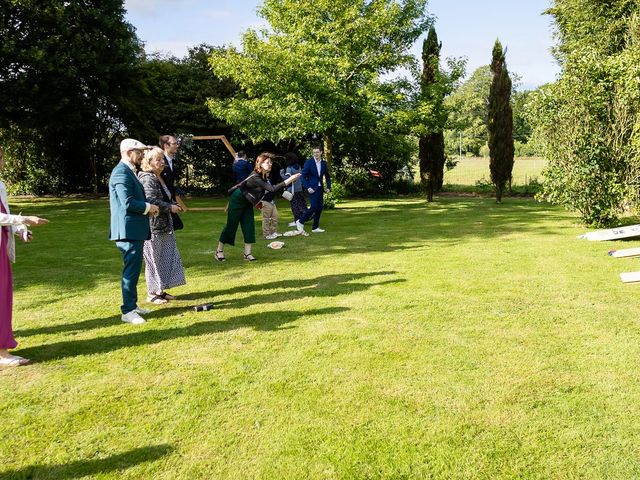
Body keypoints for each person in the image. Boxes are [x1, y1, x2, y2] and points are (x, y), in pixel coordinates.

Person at [0, 146, 49, 366]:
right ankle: (2, 353)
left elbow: (5, 215)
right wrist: (25, 219)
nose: (1, 161)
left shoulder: (0, 185)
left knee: (4, 297)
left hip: (2, 247)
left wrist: (21, 229)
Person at [109, 138, 160, 325]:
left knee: (134, 269)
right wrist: (149, 207)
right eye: (138, 153)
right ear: (128, 152)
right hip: (127, 230)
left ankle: (132, 305)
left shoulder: (127, 171)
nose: (141, 156)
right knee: (130, 271)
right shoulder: (120, 173)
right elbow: (127, 202)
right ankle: (128, 311)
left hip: (132, 229)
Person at [216, 152, 300, 262]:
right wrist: (290, 179)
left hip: (247, 202)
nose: (270, 164)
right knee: (231, 226)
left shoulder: (263, 176)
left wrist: (257, 202)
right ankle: (219, 251)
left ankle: (247, 254)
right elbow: (272, 189)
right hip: (237, 200)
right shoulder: (256, 176)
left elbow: (256, 192)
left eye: (271, 162)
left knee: (249, 225)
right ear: (260, 164)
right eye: (267, 162)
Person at [138, 147, 186, 305]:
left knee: (164, 258)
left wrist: (173, 204)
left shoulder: (160, 177)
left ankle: (161, 291)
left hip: (164, 224)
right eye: (158, 160)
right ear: (148, 162)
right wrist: (169, 207)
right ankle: (151, 294)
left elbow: (165, 197)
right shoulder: (148, 178)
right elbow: (150, 200)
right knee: (153, 259)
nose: (162, 163)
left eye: (162, 159)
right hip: (152, 226)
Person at [296, 146, 332, 234]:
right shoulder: (309, 163)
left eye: (317, 152)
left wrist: (328, 187)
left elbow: (327, 176)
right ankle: (300, 221)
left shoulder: (323, 163)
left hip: (320, 188)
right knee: (314, 207)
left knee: (319, 208)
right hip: (312, 189)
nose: (315, 154)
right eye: (314, 152)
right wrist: (308, 187)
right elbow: (302, 176)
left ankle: (315, 227)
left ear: (321, 153)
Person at [159, 134, 188, 215]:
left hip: (170, 201)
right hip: (162, 204)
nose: (177, 146)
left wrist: (175, 189)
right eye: (174, 144)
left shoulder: (173, 162)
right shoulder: (159, 162)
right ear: (166, 145)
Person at [281, 152, 306, 227]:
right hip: (299, 188)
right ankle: (304, 217)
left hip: (292, 189)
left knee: (294, 206)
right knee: (301, 204)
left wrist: (281, 173)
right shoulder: (298, 166)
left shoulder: (289, 168)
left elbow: (287, 178)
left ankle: (297, 221)